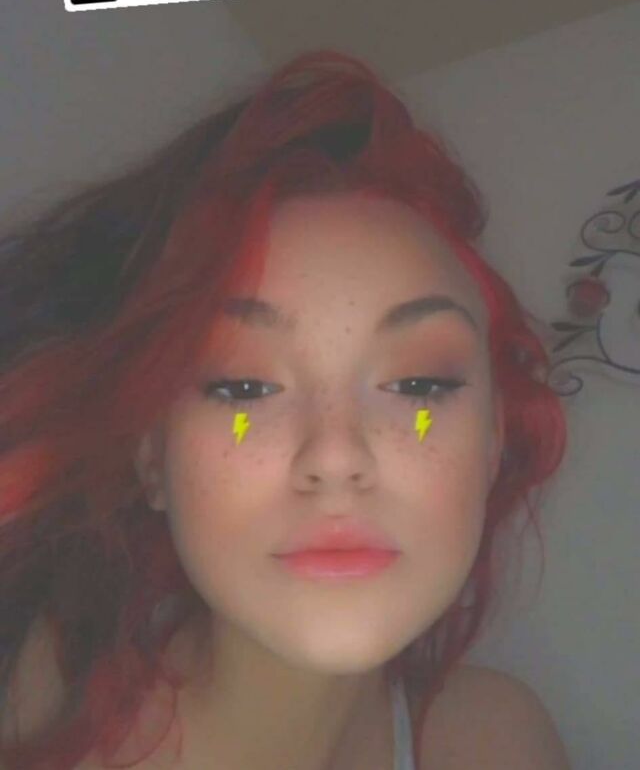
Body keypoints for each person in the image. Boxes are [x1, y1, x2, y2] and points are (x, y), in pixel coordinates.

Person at [0, 50, 570, 769]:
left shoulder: (496, 740)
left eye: (419, 384)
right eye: (244, 388)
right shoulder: (30, 714)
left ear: (492, 442)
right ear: (152, 456)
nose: (335, 456)